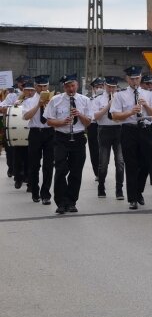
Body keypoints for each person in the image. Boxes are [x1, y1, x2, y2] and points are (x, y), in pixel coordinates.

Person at [110, 66, 152, 210]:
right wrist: (130, 112)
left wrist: (146, 106)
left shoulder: (149, 94)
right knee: (131, 165)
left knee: (145, 164)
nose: (135, 81)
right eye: (132, 78)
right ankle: (132, 198)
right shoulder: (120, 95)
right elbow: (114, 116)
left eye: (137, 78)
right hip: (129, 130)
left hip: (145, 129)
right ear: (127, 79)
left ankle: (139, 192)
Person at [44, 74, 92, 214]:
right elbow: (49, 121)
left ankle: (71, 201)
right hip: (61, 138)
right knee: (60, 170)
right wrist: (62, 122)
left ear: (77, 85)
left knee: (76, 172)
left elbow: (88, 122)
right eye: (67, 86)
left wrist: (79, 115)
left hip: (78, 138)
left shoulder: (85, 100)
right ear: (63, 87)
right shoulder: (55, 100)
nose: (71, 89)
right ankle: (60, 202)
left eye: (73, 86)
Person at [22, 75, 55, 204]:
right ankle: (35, 191)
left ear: (48, 86)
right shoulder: (29, 100)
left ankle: (45, 193)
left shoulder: (54, 100)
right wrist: (38, 105)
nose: (42, 89)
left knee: (48, 165)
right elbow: (25, 117)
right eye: (40, 86)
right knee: (34, 164)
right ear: (35, 87)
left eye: (45, 86)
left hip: (49, 133)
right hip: (35, 133)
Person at [92, 76, 125, 200]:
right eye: (109, 86)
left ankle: (119, 190)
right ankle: (101, 187)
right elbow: (95, 117)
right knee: (104, 163)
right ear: (105, 86)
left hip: (118, 130)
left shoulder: (121, 97)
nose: (111, 89)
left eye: (113, 87)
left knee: (120, 162)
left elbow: (125, 115)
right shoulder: (98, 98)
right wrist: (108, 106)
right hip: (104, 130)